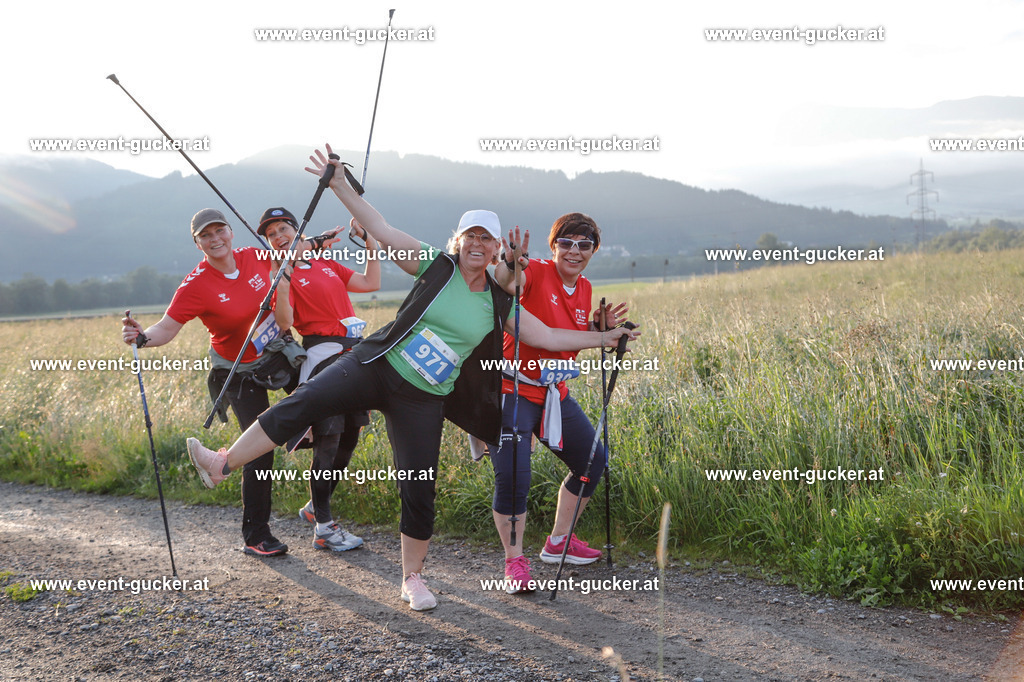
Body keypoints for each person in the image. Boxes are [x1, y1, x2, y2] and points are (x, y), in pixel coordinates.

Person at [185, 144, 640, 611]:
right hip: (376, 365)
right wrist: (339, 183)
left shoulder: (499, 304)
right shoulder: (435, 264)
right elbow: (380, 226)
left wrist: (604, 340)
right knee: (303, 402)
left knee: (419, 483)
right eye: (471, 237)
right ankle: (223, 463)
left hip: (423, 396)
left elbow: (546, 333)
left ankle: (413, 578)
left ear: (498, 249)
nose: (478, 245)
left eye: (488, 239)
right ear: (458, 241)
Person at [120, 208, 296, 557]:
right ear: (197, 243)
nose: (215, 239)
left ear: (232, 232)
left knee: (329, 407)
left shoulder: (255, 256)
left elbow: (292, 251)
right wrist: (141, 338)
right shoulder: (195, 284)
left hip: (276, 352)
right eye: (206, 235)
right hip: (236, 369)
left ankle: (321, 518)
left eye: (220, 231)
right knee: (261, 449)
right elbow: (165, 329)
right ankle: (257, 536)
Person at [488, 214, 628, 594]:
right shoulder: (534, 271)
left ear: (593, 251)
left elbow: (565, 335)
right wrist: (510, 263)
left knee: (592, 461)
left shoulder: (584, 288)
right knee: (514, 475)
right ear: (553, 247)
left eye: (584, 245)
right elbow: (508, 284)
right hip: (511, 391)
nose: (574, 251)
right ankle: (514, 561)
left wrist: (596, 330)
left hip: (554, 395)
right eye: (566, 243)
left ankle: (559, 541)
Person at [258, 206, 380, 552]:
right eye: (272, 234)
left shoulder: (326, 263)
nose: (279, 236)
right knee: (328, 441)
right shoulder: (281, 273)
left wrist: (369, 243)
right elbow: (284, 322)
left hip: (353, 355)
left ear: (298, 231)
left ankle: (316, 507)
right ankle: (325, 529)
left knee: (349, 441)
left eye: (284, 228)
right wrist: (281, 282)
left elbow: (371, 283)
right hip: (321, 358)